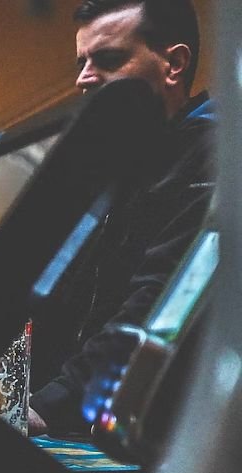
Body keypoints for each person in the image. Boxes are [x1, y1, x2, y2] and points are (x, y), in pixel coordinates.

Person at [28, 0, 213, 436]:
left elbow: (157, 300)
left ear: (175, 64)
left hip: (165, 440)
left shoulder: (217, 155)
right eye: (81, 62)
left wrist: (49, 407)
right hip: (91, 424)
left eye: (108, 60)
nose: (83, 78)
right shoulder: (118, 164)